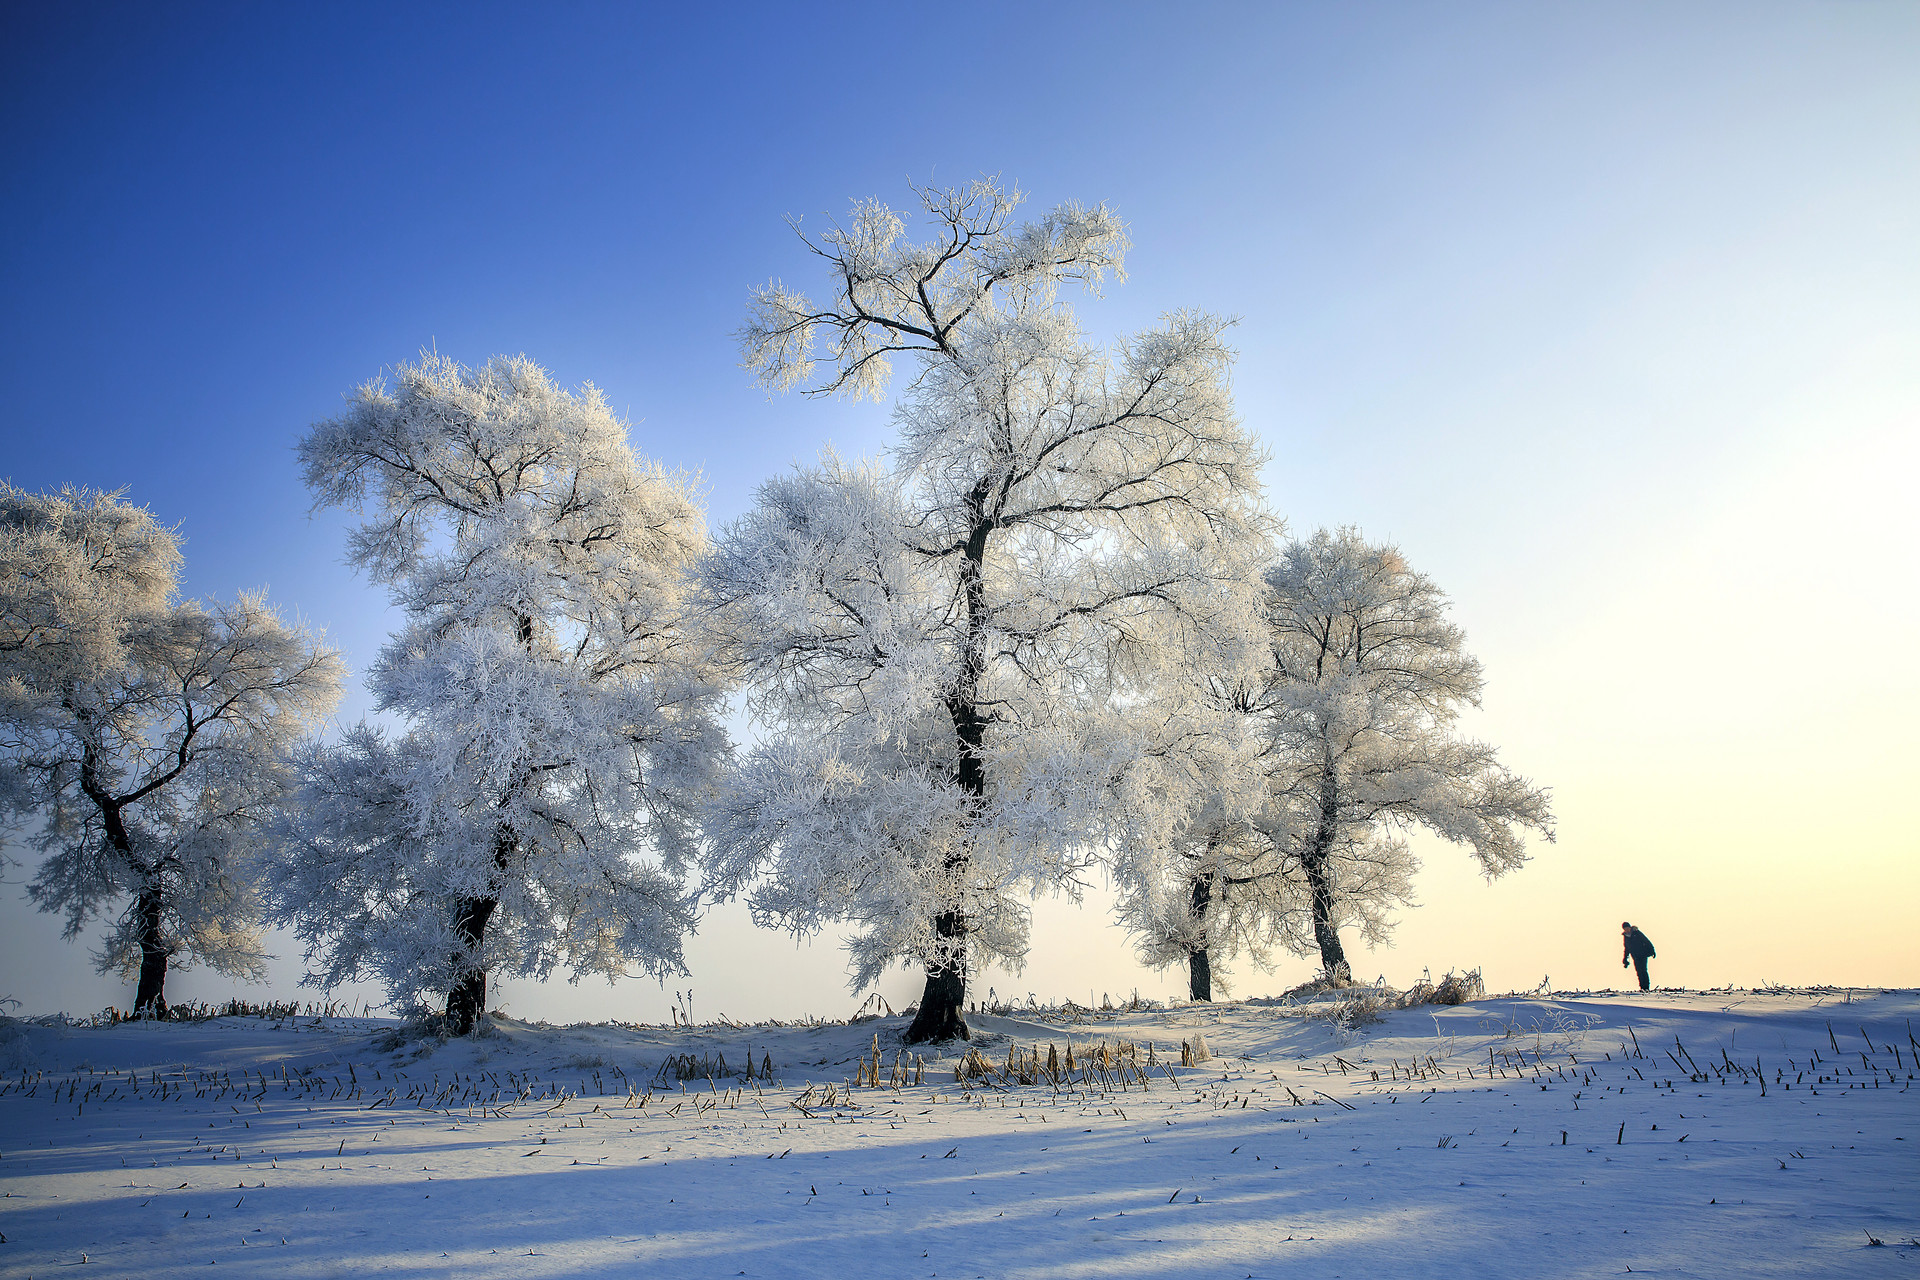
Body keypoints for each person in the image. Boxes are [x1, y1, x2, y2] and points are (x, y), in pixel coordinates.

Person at [1621, 922, 1656, 991]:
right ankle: (1642, 987)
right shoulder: (1626, 937)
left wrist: (1652, 950)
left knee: (1643, 970)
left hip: (1643, 955)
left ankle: (1646, 987)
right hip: (1635, 956)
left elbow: (1646, 941)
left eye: (1627, 928)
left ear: (1630, 927)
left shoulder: (1637, 933)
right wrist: (1625, 959)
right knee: (1639, 972)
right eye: (1625, 929)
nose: (1627, 930)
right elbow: (1626, 949)